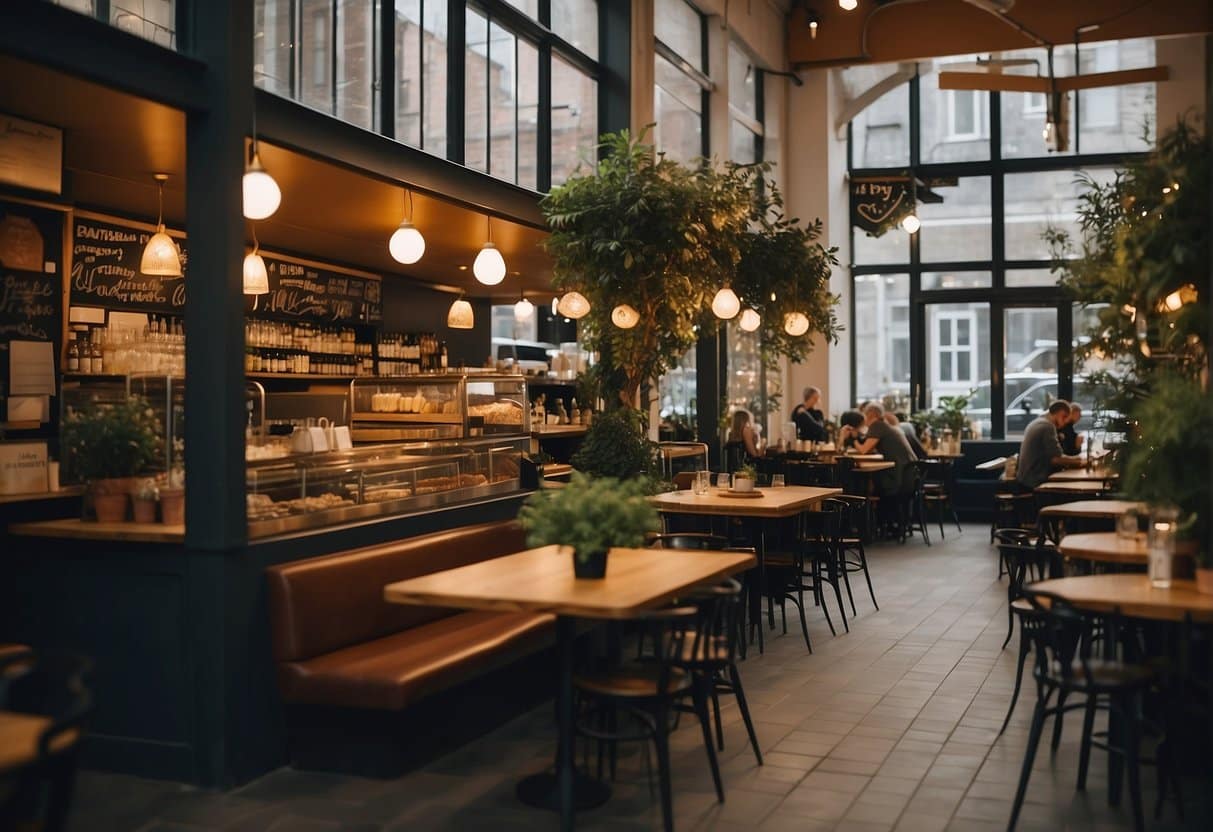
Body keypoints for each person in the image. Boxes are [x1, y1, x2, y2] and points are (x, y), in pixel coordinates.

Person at [1016, 400, 1086, 489]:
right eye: (1065, 419)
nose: (1064, 423)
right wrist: (1081, 461)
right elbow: (1056, 459)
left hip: (1024, 478)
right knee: (1073, 487)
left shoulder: (1037, 422)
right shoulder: (1047, 426)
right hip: (1034, 482)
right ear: (1061, 414)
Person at [851, 403, 917, 494]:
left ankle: (862, 505)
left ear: (870, 414)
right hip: (907, 473)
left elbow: (864, 450)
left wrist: (853, 439)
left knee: (860, 480)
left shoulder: (877, 425)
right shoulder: (885, 425)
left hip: (898, 476)